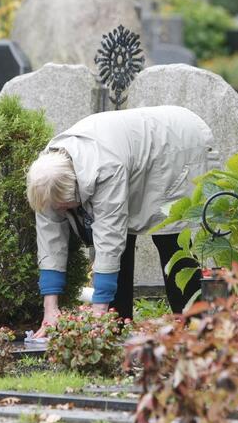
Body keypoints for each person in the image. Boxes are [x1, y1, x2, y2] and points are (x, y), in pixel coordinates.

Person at [26, 105, 213, 337]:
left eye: (66, 205)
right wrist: (50, 310)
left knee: (170, 239)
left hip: (175, 147)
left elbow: (109, 238)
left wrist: (98, 313)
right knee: (122, 244)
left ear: (77, 186)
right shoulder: (46, 178)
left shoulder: (105, 168)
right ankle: (117, 327)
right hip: (133, 149)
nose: (62, 212)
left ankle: (194, 326)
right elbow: (50, 241)